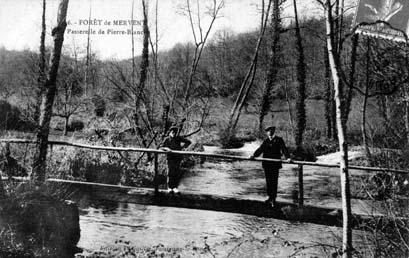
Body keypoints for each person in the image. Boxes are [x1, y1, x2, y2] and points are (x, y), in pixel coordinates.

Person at [250, 126, 291, 207]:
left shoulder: (279, 140)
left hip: (275, 164)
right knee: (268, 181)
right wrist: (254, 155)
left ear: (274, 131)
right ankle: (269, 197)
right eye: (268, 131)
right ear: (266, 132)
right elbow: (260, 149)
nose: (269, 132)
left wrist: (288, 157)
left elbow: (284, 149)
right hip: (267, 164)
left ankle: (273, 198)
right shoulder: (266, 141)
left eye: (271, 130)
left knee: (274, 181)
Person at [160, 126, 191, 193]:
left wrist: (182, 147)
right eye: (172, 132)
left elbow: (188, 142)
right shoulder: (167, 139)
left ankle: (175, 187)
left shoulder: (178, 138)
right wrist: (166, 149)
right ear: (170, 132)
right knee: (170, 173)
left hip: (177, 157)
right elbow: (161, 147)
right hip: (170, 158)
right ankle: (169, 187)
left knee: (176, 173)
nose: (174, 133)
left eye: (175, 132)